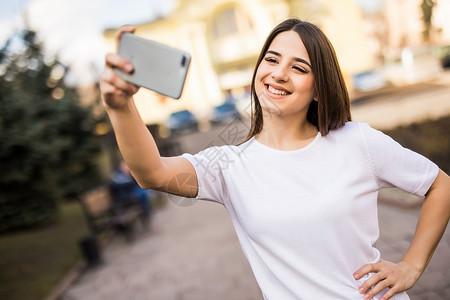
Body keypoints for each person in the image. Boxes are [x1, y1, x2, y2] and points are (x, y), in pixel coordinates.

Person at [100, 18, 450, 300]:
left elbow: (440, 185)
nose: (279, 73)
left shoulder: (358, 142)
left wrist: (411, 266)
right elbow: (152, 173)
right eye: (271, 59)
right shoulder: (229, 166)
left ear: (318, 88)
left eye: (299, 67)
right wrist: (120, 106)